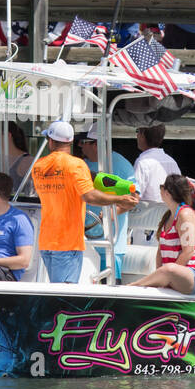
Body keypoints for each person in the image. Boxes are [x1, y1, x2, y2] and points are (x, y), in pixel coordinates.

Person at [30, 120, 139, 284]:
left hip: (46, 240)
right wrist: (119, 199)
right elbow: (89, 196)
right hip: (68, 242)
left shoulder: (38, 166)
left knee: (56, 290)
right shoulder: (77, 165)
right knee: (65, 295)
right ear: (71, 141)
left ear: (51, 141)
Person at [133, 174, 195, 295]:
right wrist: (162, 275)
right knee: (168, 269)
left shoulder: (185, 215)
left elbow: (188, 251)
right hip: (174, 275)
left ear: (167, 193)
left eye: (161, 186)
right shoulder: (168, 216)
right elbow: (160, 252)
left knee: (169, 269)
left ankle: (132, 287)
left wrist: (167, 276)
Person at [133, 124, 179, 204]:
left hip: (147, 214)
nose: (137, 135)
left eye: (137, 131)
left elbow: (135, 196)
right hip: (168, 213)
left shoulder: (142, 162)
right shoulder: (172, 162)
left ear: (142, 134)